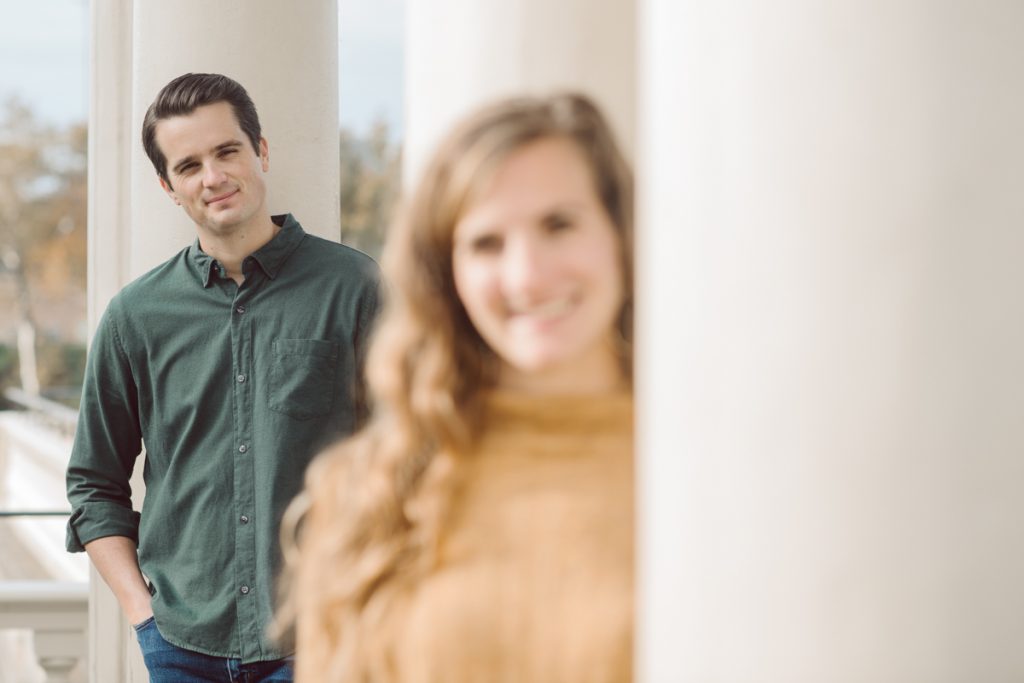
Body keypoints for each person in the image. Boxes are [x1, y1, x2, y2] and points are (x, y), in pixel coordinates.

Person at [280, 92, 634, 682]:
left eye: (559, 224)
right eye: (486, 243)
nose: (527, 275)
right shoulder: (371, 492)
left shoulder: (711, 474)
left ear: (620, 235)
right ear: (448, 275)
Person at [65, 72, 380, 682]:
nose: (213, 177)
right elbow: (93, 485)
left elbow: (412, 461)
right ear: (168, 186)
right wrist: (143, 616)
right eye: (189, 166)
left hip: (320, 641)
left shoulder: (356, 291)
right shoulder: (136, 316)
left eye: (227, 151)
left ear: (260, 152)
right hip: (180, 645)